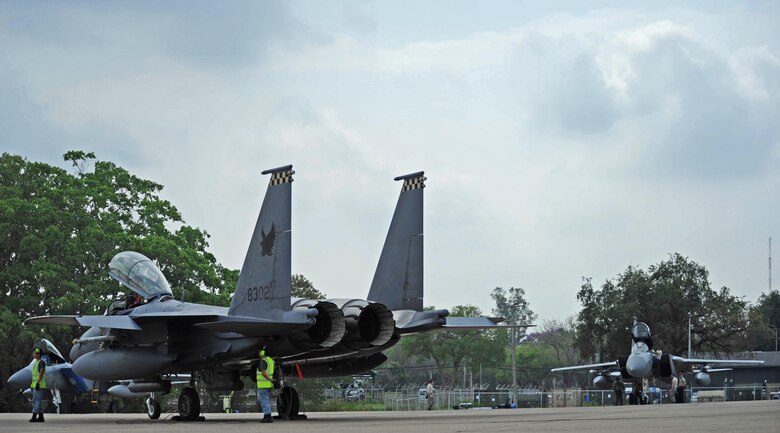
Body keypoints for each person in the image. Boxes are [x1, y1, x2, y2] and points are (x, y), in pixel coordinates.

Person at [256, 347, 275, 423]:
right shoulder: (271, 360)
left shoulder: (263, 361)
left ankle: (267, 417)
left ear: (263, 353)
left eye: (260, 352)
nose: (259, 354)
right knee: (266, 400)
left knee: (263, 400)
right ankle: (268, 416)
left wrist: (270, 379)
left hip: (263, 384)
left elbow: (263, 373)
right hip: (268, 384)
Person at [30, 347, 46, 423]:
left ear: (39, 355)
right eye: (34, 353)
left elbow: (41, 372)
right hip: (35, 385)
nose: (34, 354)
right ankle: (41, 417)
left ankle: (34, 416)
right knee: (36, 400)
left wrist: (38, 383)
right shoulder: (36, 362)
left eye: (35, 353)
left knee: (36, 401)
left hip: (39, 385)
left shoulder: (41, 362)